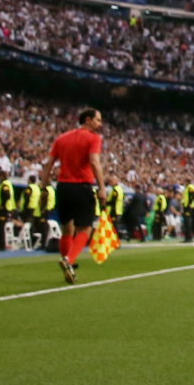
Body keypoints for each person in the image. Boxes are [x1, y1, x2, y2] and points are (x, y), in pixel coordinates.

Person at [46, 108, 110, 285]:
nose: (100, 124)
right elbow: (94, 162)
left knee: (67, 228)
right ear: (88, 120)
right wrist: (102, 188)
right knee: (85, 229)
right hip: (82, 186)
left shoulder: (62, 138)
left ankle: (68, 264)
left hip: (62, 186)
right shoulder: (93, 138)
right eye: (98, 120)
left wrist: (43, 187)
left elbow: (49, 163)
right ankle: (69, 260)